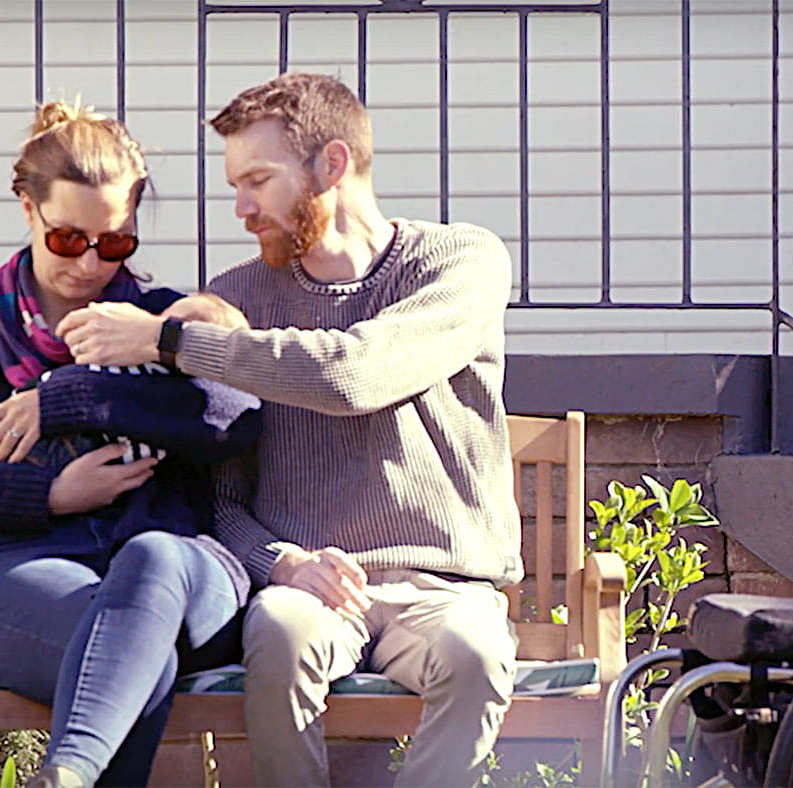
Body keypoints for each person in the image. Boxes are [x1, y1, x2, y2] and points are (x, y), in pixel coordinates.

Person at [57, 73, 522, 788]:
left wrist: (171, 341)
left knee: (478, 654)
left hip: (445, 588)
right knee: (278, 629)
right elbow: (219, 496)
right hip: (304, 581)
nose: (241, 208)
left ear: (331, 165)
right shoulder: (236, 298)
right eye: (234, 185)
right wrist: (282, 562)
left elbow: (355, 376)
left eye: (259, 181)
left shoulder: (460, 263)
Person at [0, 101, 261, 788]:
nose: (88, 263)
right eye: (68, 239)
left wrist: (65, 399)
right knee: (142, 661)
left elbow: (236, 419)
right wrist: (47, 491)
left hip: (181, 570)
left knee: (152, 561)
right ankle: (70, 775)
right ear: (28, 209)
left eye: (114, 243)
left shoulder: (164, 320)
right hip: (23, 569)